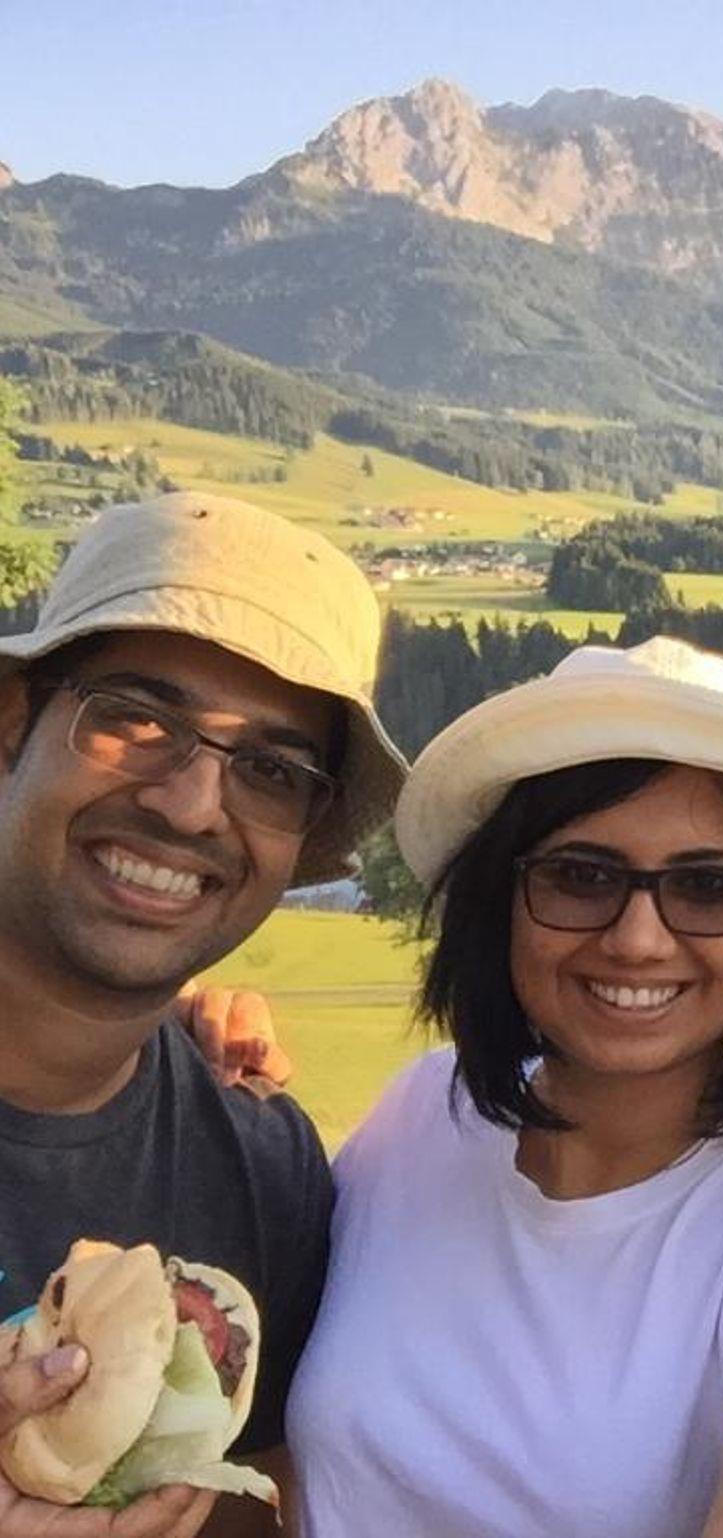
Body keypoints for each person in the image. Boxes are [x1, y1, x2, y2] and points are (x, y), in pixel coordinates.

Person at [284, 636, 723, 1538]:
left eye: (707, 886)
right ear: (502, 902)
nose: (638, 939)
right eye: (581, 876)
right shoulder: (421, 1112)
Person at [0, 492, 407, 1538]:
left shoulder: (260, 1165)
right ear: (12, 722)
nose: (189, 804)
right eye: (136, 717)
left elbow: (254, 1502)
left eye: (270, 769)